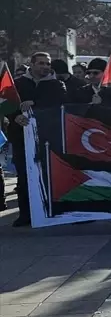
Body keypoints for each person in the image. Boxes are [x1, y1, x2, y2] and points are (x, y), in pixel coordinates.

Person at [8, 53, 70, 226]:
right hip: (21, 138)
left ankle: (51, 211)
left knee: (48, 174)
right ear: (31, 64)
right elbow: (8, 105)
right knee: (24, 176)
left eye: (47, 64)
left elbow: (59, 104)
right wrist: (15, 117)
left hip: (47, 137)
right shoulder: (18, 84)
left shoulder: (57, 84)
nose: (45, 67)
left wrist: (34, 103)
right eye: (41, 63)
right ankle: (25, 214)